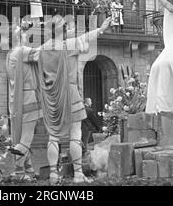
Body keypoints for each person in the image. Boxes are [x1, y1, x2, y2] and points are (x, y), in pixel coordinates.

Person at [38, 15, 112, 184]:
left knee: (53, 137)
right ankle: (78, 174)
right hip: (70, 93)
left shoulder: (42, 49)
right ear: (64, 31)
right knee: (75, 134)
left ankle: (53, 175)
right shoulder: (69, 45)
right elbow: (87, 37)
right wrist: (101, 28)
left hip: (52, 95)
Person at [6, 23, 42, 181]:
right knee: (26, 138)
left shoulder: (10, 54)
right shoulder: (22, 51)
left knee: (20, 135)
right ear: (19, 37)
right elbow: (44, 55)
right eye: (25, 35)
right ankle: (18, 171)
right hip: (28, 98)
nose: (27, 37)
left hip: (17, 100)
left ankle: (29, 170)